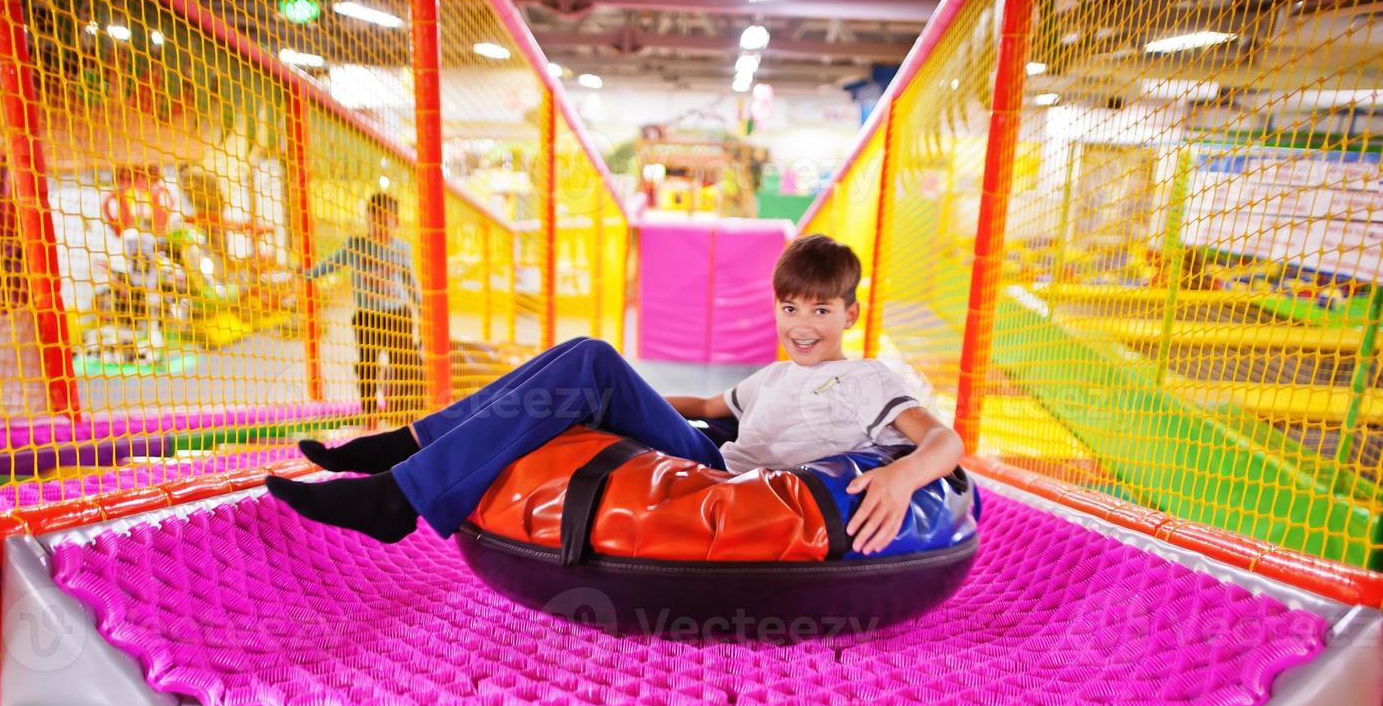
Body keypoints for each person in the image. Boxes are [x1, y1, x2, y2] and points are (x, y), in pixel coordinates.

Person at [268, 234, 965, 556]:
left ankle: (398, 492)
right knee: (585, 358)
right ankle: (409, 447)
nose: (802, 327)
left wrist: (904, 475)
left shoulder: (867, 377)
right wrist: (595, 391)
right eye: (790, 310)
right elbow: (701, 409)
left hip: (735, 483)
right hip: (706, 451)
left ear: (848, 314)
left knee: (590, 363)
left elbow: (945, 441)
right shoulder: (771, 376)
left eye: (820, 312)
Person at [308, 192, 423, 423]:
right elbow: (332, 263)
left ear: (396, 222)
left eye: (385, 220)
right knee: (368, 365)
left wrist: (421, 309)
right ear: (367, 220)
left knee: (405, 365)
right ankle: (369, 414)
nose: (378, 226)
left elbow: (409, 281)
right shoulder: (357, 245)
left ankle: (403, 414)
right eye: (373, 220)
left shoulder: (401, 248)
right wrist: (307, 275)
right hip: (367, 317)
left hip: (398, 314)